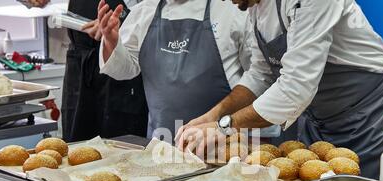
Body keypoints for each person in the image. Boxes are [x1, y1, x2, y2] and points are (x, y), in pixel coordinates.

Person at [179, 0, 383, 181]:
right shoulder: (257, 9)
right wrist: (213, 116)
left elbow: (295, 87)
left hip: (372, 119)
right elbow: (261, 74)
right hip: (319, 123)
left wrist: (224, 127)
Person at [98, 0, 276, 140]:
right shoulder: (144, 11)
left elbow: (260, 77)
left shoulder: (233, 9)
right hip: (162, 143)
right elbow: (124, 70)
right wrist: (112, 43)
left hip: (225, 143)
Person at [20, 0, 148, 142]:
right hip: (79, 63)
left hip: (122, 59)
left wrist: (120, 23)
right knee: (76, 145)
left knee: (120, 148)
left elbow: (154, 9)